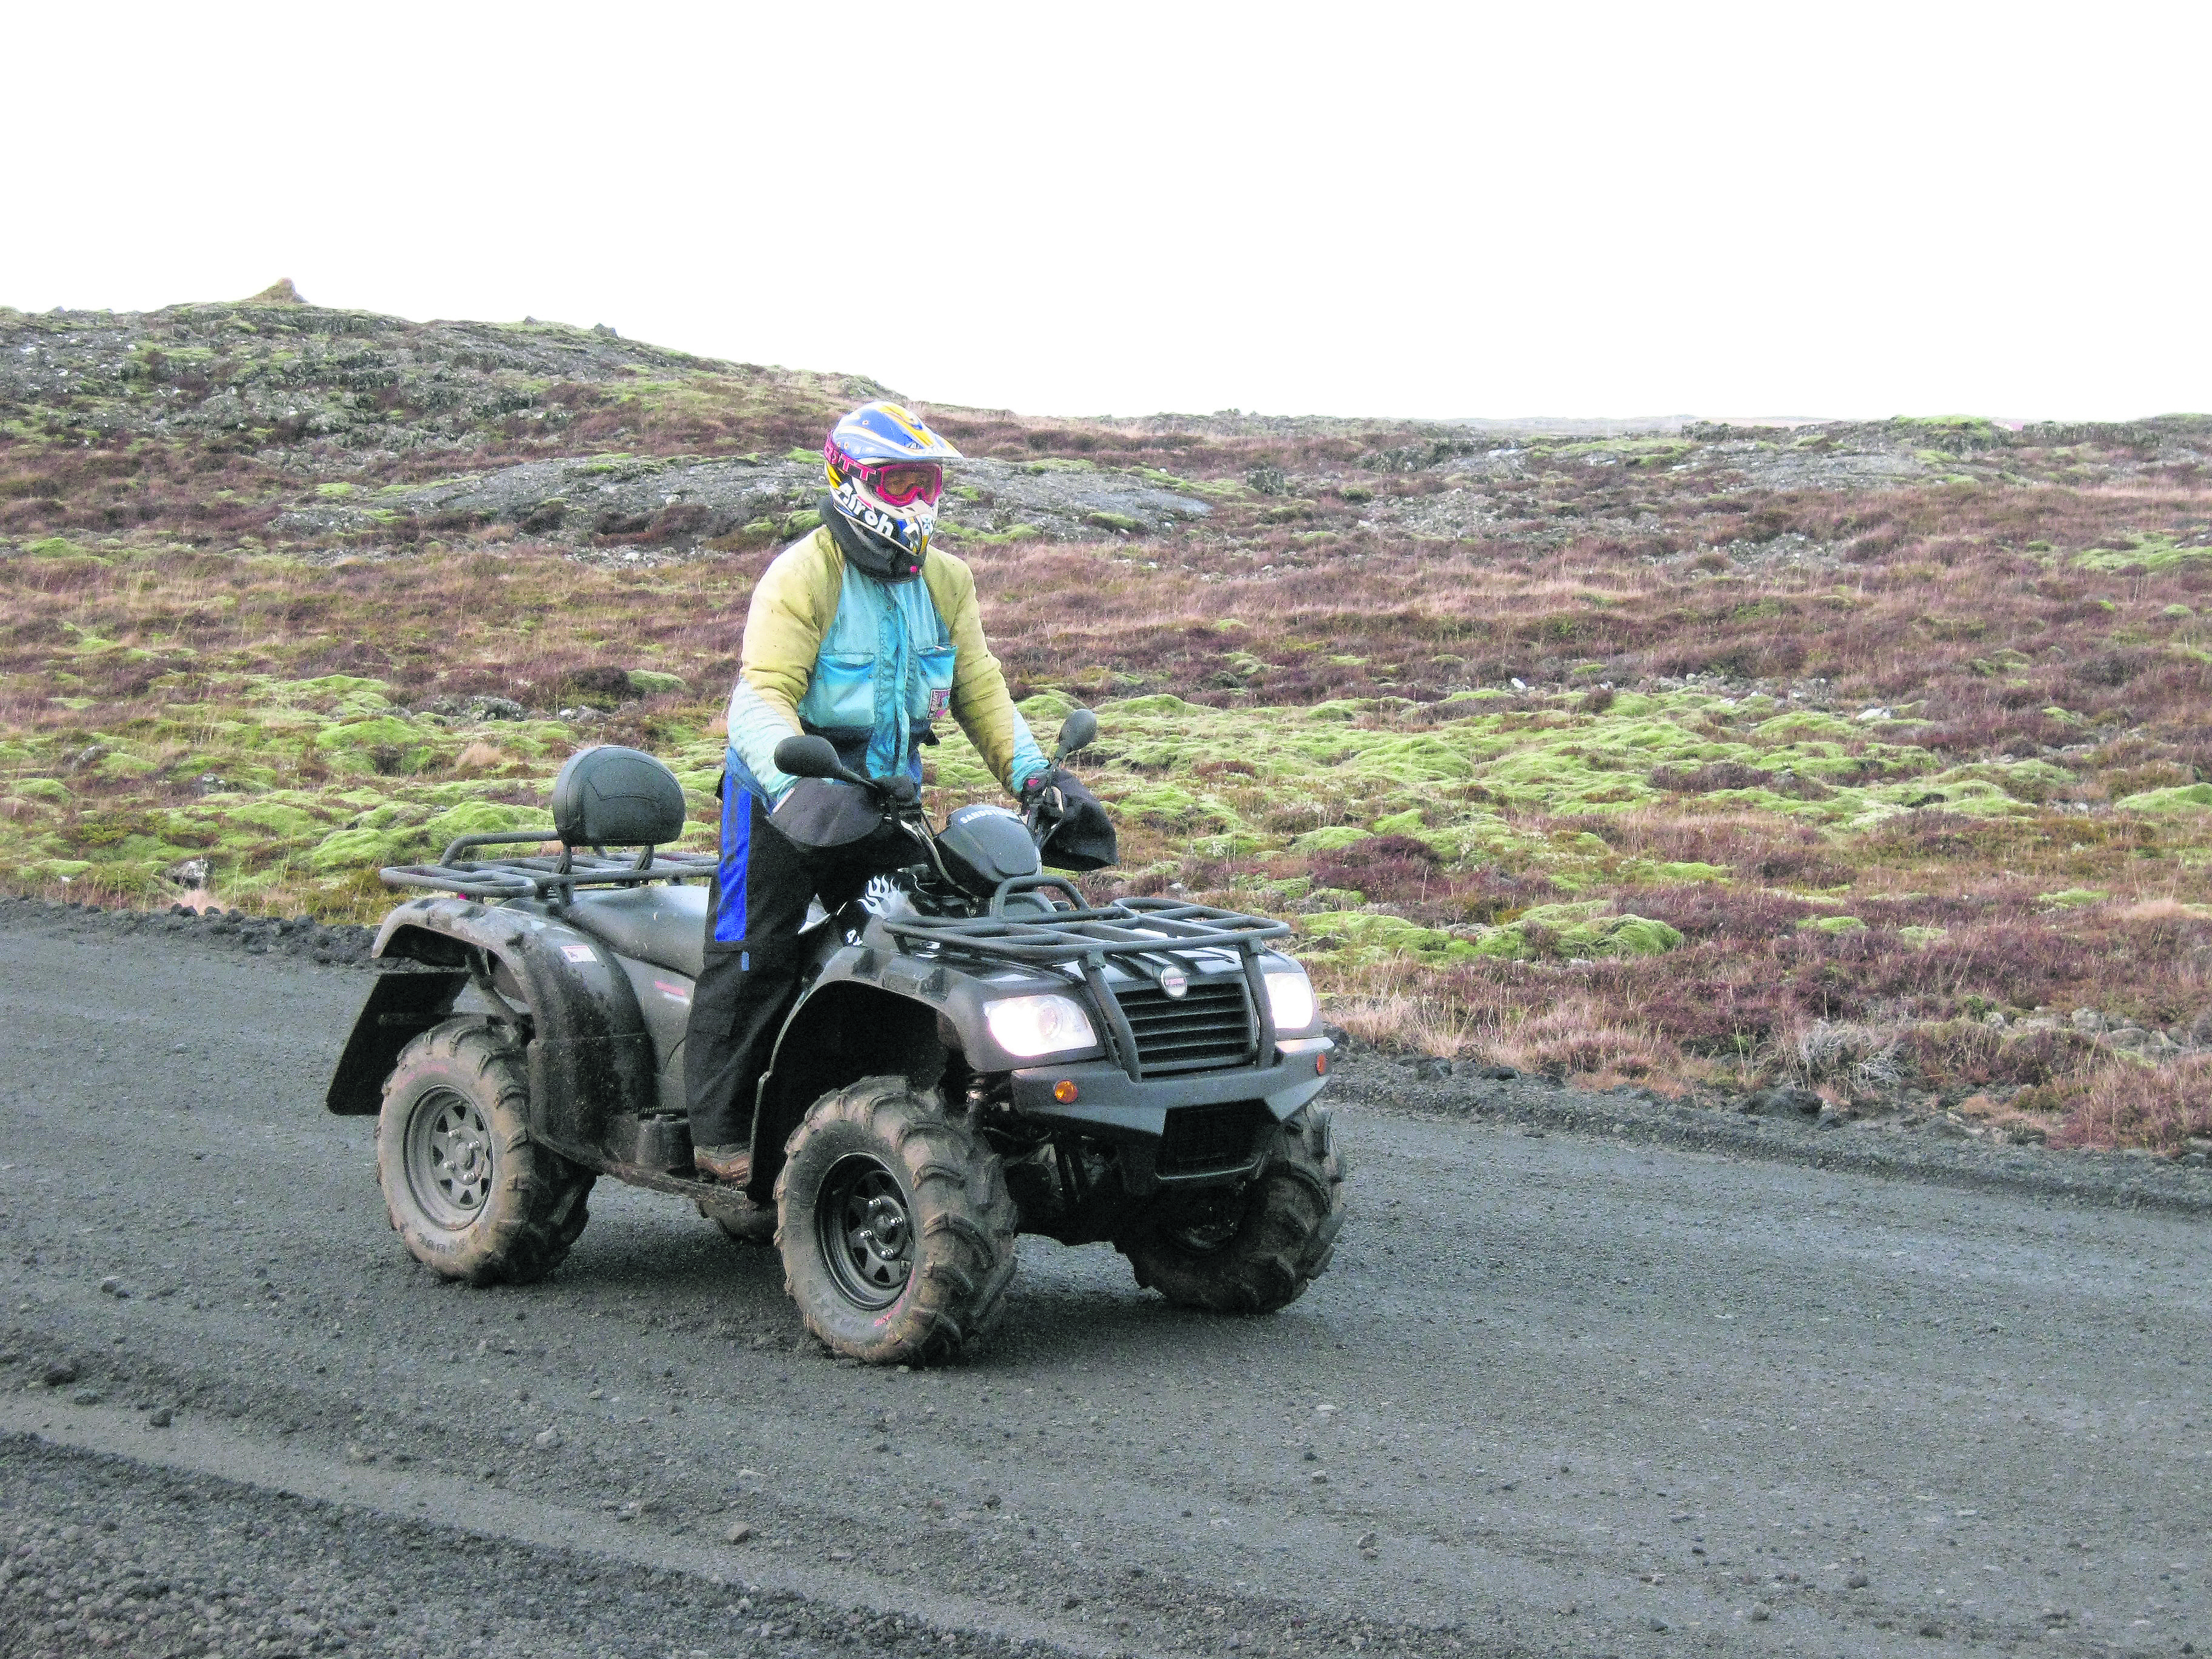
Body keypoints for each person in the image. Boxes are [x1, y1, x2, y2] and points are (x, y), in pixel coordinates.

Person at [684, 401, 1099, 1182]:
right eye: (898, 482)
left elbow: (979, 689)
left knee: (926, 939)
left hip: (887, 798)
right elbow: (758, 696)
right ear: (849, 480)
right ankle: (724, 1133)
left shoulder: (946, 580)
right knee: (752, 951)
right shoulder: (803, 574)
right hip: (788, 788)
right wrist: (789, 779)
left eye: (926, 483)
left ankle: (940, 1106)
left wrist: (1038, 776)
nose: (915, 500)